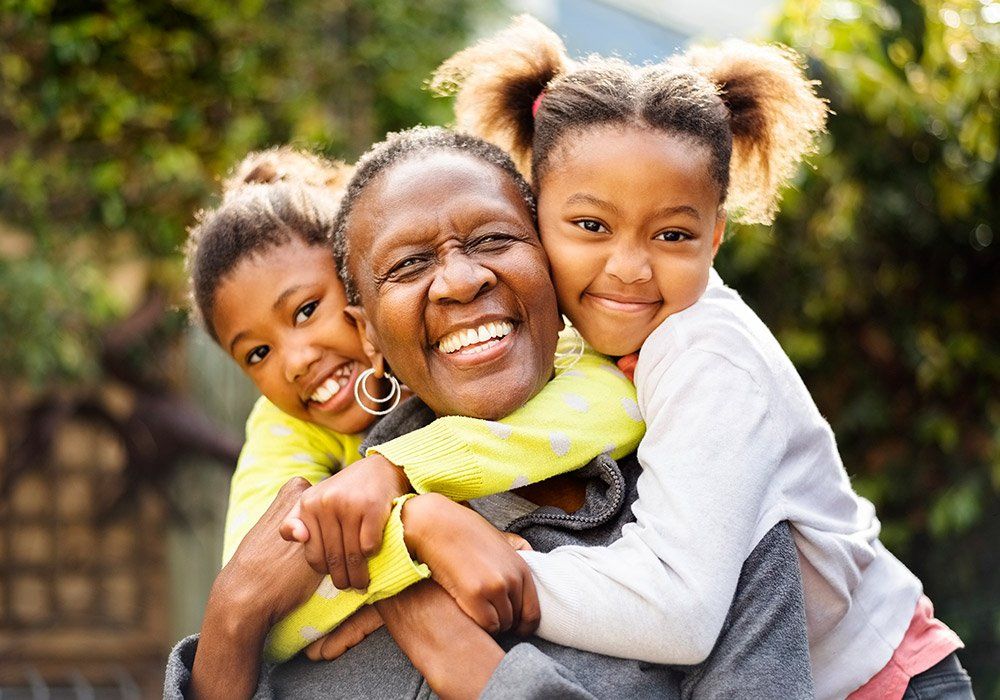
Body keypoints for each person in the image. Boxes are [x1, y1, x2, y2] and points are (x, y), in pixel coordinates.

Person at [429, 15, 973, 699]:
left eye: (672, 234)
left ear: (715, 237)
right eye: (591, 225)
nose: (628, 267)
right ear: (534, 215)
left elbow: (679, 612)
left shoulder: (705, 355)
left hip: (886, 683)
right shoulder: (577, 338)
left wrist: (509, 571)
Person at [165, 127, 814, 699]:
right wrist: (239, 611)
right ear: (367, 331)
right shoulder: (331, 533)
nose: (459, 280)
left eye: (495, 239)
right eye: (410, 264)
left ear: (554, 266)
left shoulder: (709, 515)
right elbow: (246, 604)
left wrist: (474, 668)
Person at [183, 145, 644, 661]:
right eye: (257, 352)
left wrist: (399, 472)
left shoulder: (522, 341)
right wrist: (412, 546)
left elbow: (618, 402)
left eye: (308, 309)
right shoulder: (282, 427)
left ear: (359, 282)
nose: (294, 360)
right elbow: (257, 586)